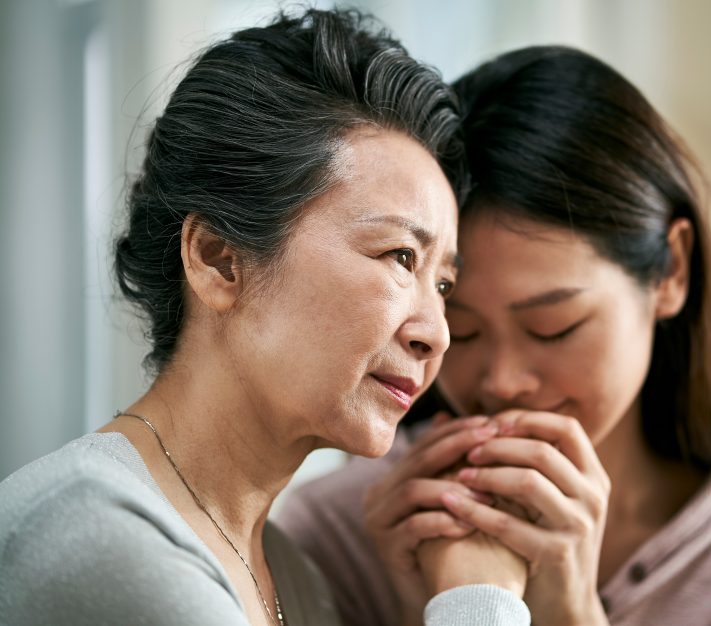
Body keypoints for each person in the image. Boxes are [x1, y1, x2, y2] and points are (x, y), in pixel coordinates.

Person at [0, 10, 532, 626]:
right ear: (218, 259)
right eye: (400, 257)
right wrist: (481, 599)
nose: (435, 331)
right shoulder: (101, 542)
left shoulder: (291, 575)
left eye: (442, 284)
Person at [277, 46, 711, 625]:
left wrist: (572, 614)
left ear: (671, 270)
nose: (501, 381)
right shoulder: (333, 535)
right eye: (460, 329)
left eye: (553, 328)